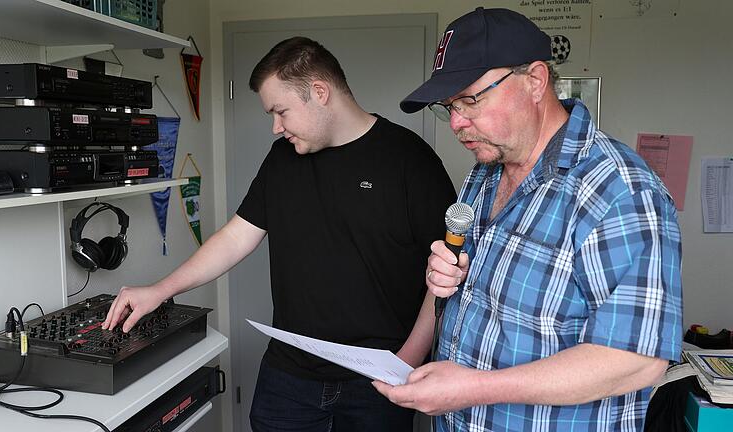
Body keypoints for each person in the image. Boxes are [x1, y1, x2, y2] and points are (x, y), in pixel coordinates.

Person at [102, 36, 456, 431]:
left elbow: (443, 276)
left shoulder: (411, 161)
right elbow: (236, 237)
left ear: (319, 92)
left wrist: (408, 360)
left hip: (378, 380)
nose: (276, 127)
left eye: (281, 111)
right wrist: (160, 290)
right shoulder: (283, 159)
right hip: (289, 378)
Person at [373, 7, 683, 432]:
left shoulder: (620, 190)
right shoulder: (484, 172)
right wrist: (413, 345)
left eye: (470, 99)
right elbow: (460, 291)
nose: (458, 123)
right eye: (449, 107)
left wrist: (474, 388)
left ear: (535, 81)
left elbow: (636, 361)